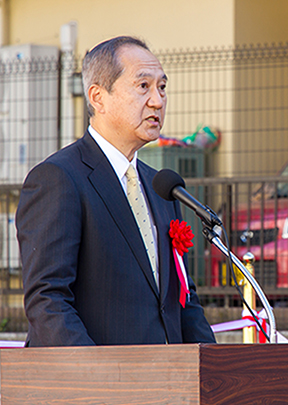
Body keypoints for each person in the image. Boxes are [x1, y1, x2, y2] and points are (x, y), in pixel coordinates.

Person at [16, 36, 216, 346]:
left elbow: (183, 300)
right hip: (99, 386)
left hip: (169, 382)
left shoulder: (161, 187)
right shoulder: (59, 178)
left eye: (162, 87)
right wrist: (100, 377)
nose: (157, 101)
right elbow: (48, 300)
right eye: (143, 87)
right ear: (98, 97)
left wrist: (214, 374)